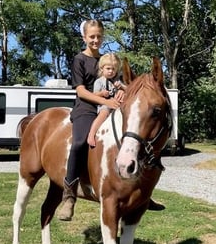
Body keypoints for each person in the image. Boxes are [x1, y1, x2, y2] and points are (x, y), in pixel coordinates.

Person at [57, 20, 165, 221]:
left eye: (99, 36)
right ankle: (69, 193)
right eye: (92, 36)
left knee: (132, 140)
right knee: (80, 142)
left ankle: (143, 194)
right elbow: (80, 91)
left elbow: (121, 84)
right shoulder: (79, 60)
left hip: (109, 105)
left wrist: (123, 97)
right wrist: (104, 100)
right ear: (85, 38)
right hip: (86, 107)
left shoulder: (107, 61)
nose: (96, 40)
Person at [87, 53, 125, 148]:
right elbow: (94, 95)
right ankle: (91, 133)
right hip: (105, 104)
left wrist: (121, 87)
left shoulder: (118, 81)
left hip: (117, 105)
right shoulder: (99, 81)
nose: (111, 71)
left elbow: (128, 89)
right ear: (102, 69)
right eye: (108, 68)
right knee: (104, 113)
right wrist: (102, 94)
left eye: (113, 69)